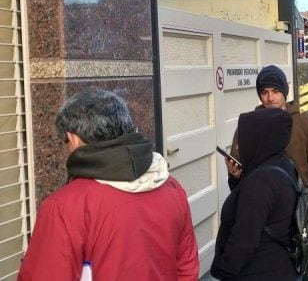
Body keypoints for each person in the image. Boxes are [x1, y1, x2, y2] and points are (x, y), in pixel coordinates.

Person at [18, 89, 199, 280]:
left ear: (74, 139)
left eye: (64, 142)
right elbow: (186, 268)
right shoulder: (170, 187)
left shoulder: (63, 208)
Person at [211, 108, 299, 280]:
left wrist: (224, 270)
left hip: (259, 271)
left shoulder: (261, 182)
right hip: (281, 266)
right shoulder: (283, 163)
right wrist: (238, 179)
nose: (238, 145)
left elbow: (244, 240)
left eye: (243, 138)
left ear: (259, 138)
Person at [228, 65, 308, 200]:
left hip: (296, 205)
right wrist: (234, 175)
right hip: (259, 204)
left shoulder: (304, 123)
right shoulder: (248, 125)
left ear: (284, 92)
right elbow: (237, 167)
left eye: (275, 91)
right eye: (264, 92)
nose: (270, 98)